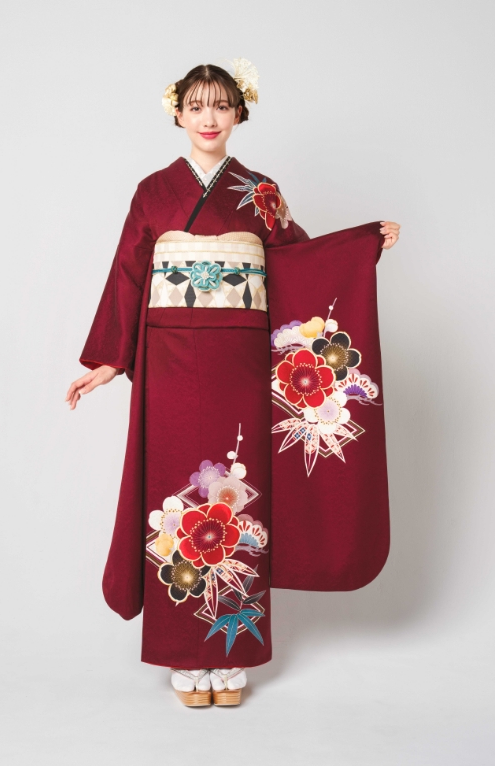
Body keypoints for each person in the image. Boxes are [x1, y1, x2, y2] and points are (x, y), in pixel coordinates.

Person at [65, 60, 400, 707]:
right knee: (176, 491)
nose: (209, 118)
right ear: (178, 113)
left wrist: (362, 247)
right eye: (196, 106)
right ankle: (182, 655)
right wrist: (108, 358)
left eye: (221, 105)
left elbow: (299, 262)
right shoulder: (152, 192)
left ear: (239, 113)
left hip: (239, 362)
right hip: (167, 360)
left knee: (236, 490)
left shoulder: (259, 191)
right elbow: (129, 274)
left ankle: (231, 654)